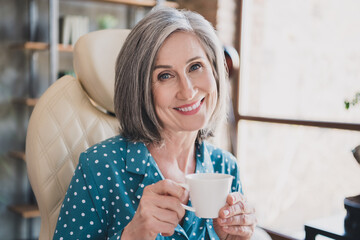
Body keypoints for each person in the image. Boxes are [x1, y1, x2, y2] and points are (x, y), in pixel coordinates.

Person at [53, 7, 256, 240]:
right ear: (141, 91)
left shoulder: (226, 167)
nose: (188, 90)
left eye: (195, 66)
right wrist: (131, 236)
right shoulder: (99, 166)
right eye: (165, 76)